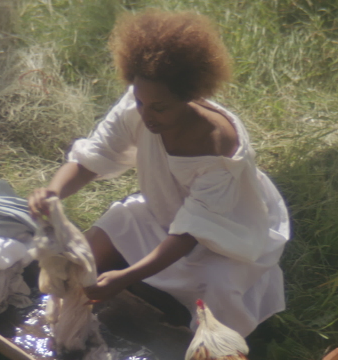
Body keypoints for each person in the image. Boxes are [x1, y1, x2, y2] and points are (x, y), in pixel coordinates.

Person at [28, 9, 290, 337]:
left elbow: (190, 233)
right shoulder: (141, 102)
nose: (147, 116)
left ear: (189, 95)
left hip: (223, 235)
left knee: (219, 293)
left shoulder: (218, 146)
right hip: (164, 215)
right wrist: (52, 193)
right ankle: (65, 316)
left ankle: (199, 353)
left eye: (160, 108)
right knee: (107, 232)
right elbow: (91, 159)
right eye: (140, 103)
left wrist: (127, 277)